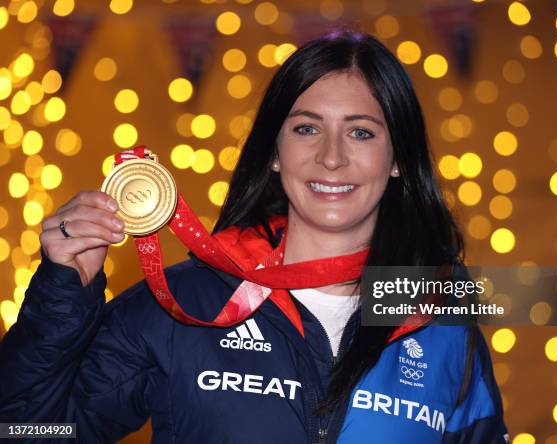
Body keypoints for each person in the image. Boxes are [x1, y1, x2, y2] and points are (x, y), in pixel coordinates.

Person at [0, 30, 508, 443]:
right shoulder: (183, 307)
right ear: (274, 152)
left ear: (397, 160)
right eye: (307, 129)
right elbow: (25, 433)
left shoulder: (442, 322)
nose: (332, 157)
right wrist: (63, 295)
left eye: (361, 132)